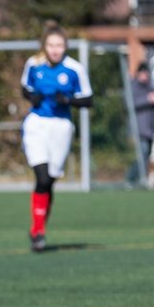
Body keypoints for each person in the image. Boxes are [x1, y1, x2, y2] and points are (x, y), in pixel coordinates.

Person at [19, 22, 93, 251]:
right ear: (45, 45)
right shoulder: (33, 64)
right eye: (51, 45)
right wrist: (33, 97)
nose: (55, 49)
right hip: (37, 125)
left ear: (65, 46)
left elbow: (88, 100)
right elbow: (25, 88)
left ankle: (39, 227)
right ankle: (38, 231)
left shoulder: (74, 69)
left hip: (61, 127)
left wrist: (68, 100)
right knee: (41, 176)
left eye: (59, 45)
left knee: (49, 180)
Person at [130, 61, 154, 188]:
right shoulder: (134, 87)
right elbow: (131, 104)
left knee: (147, 155)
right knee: (141, 154)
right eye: (142, 73)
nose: (144, 76)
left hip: (150, 129)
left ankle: (140, 179)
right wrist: (147, 100)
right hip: (139, 128)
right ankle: (132, 179)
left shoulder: (150, 87)